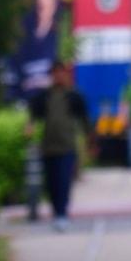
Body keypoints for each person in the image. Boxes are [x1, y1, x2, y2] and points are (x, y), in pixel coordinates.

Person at [27, 62, 92, 232]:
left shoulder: (74, 96)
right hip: (48, 146)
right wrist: (30, 126)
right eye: (55, 73)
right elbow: (33, 115)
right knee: (52, 183)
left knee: (64, 181)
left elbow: (85, 120)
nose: (58, 76)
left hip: (67, 146)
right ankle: (57, 212)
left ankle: (62, 214)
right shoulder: (44, 96)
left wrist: (90, 141)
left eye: (61, 73)